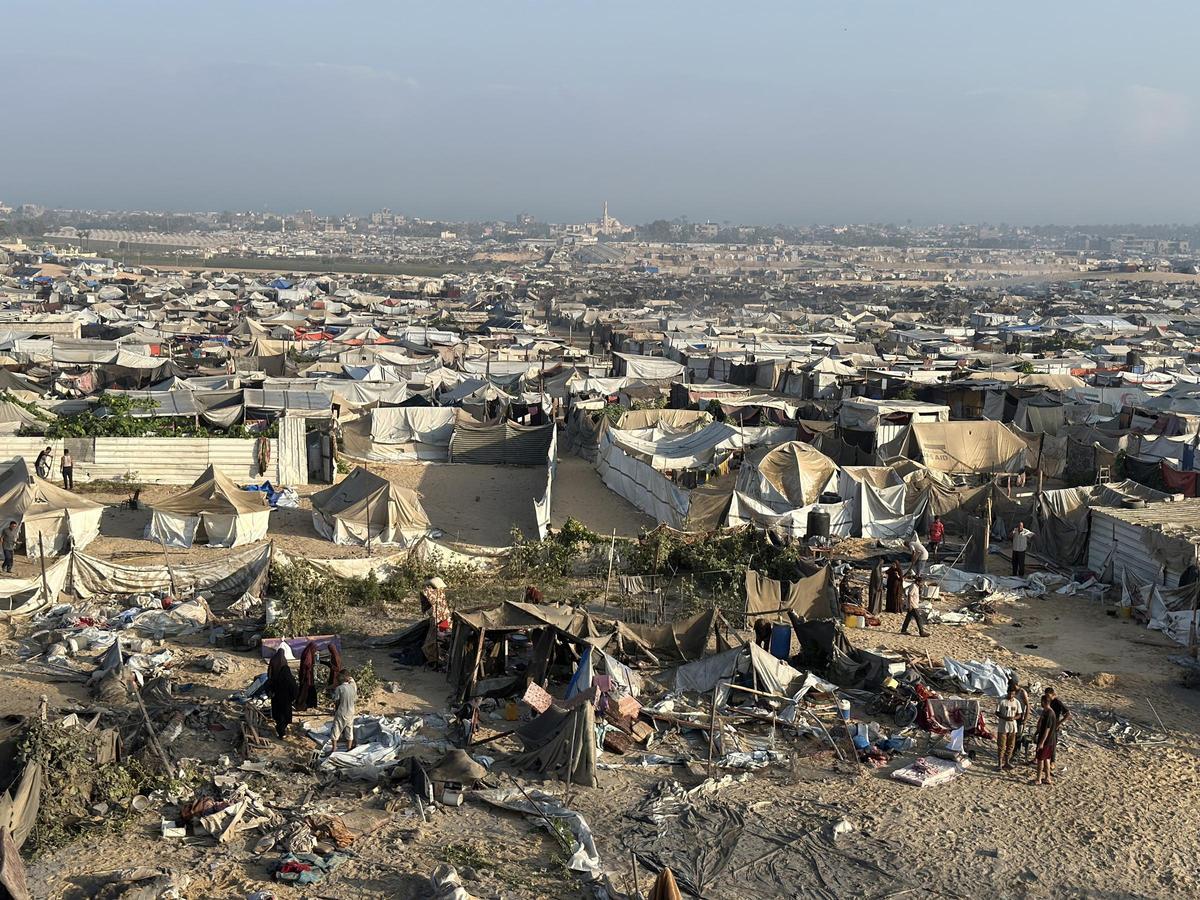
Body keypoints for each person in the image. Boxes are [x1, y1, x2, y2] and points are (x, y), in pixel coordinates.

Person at [266, 648, 299, 739]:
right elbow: (294, 689)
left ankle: (281, 732)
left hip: (277, 699)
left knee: (279, 717)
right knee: (284, 716)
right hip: (286, 701)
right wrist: (293, 698)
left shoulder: (275, 680)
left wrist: (270, 693)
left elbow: (269, 681)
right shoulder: (289, 678)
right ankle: (281, 731)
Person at [1033, 692, 1059, 785]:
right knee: (1046, 759)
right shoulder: (1047, 712)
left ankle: (1039, 779)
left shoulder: (1049, 713)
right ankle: (1047, 778)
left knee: (1040, 759)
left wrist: (1041, 743)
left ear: (1043, 702)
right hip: (1050, 741)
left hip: (1046, 741)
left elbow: (1047, 730)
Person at [996, 683, 1021, 771]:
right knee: (1001, 745)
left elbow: (1019, 714)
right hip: (1003, 727)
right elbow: (997, 712)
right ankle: (999, 763)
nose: (1011, 695)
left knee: (1010, 745)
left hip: (1012, 727)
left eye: (1013, 694)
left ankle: (1007, 762)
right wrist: (1005, 717)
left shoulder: (1016, 702)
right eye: (1010, 693)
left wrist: (1014, 718)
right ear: (1007, 692)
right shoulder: (1002, 701)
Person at [330, 671, 358, 752]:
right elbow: (355, 699)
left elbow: (337, 701)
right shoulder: (352, 687)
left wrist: (336, 710)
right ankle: (349, 747)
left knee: (336, 729)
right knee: (349, 729)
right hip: (351, 711)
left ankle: (334, 748)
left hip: (342, 711)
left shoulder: (339, 688)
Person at [296, 641, 318, 710]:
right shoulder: (307, 654)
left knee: (309, 688)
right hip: (306, 675)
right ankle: (302, 704)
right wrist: (309, 669)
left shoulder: (308, 652)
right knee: (305, 689)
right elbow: (306, 664)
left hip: (308, 674)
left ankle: (310, 704)